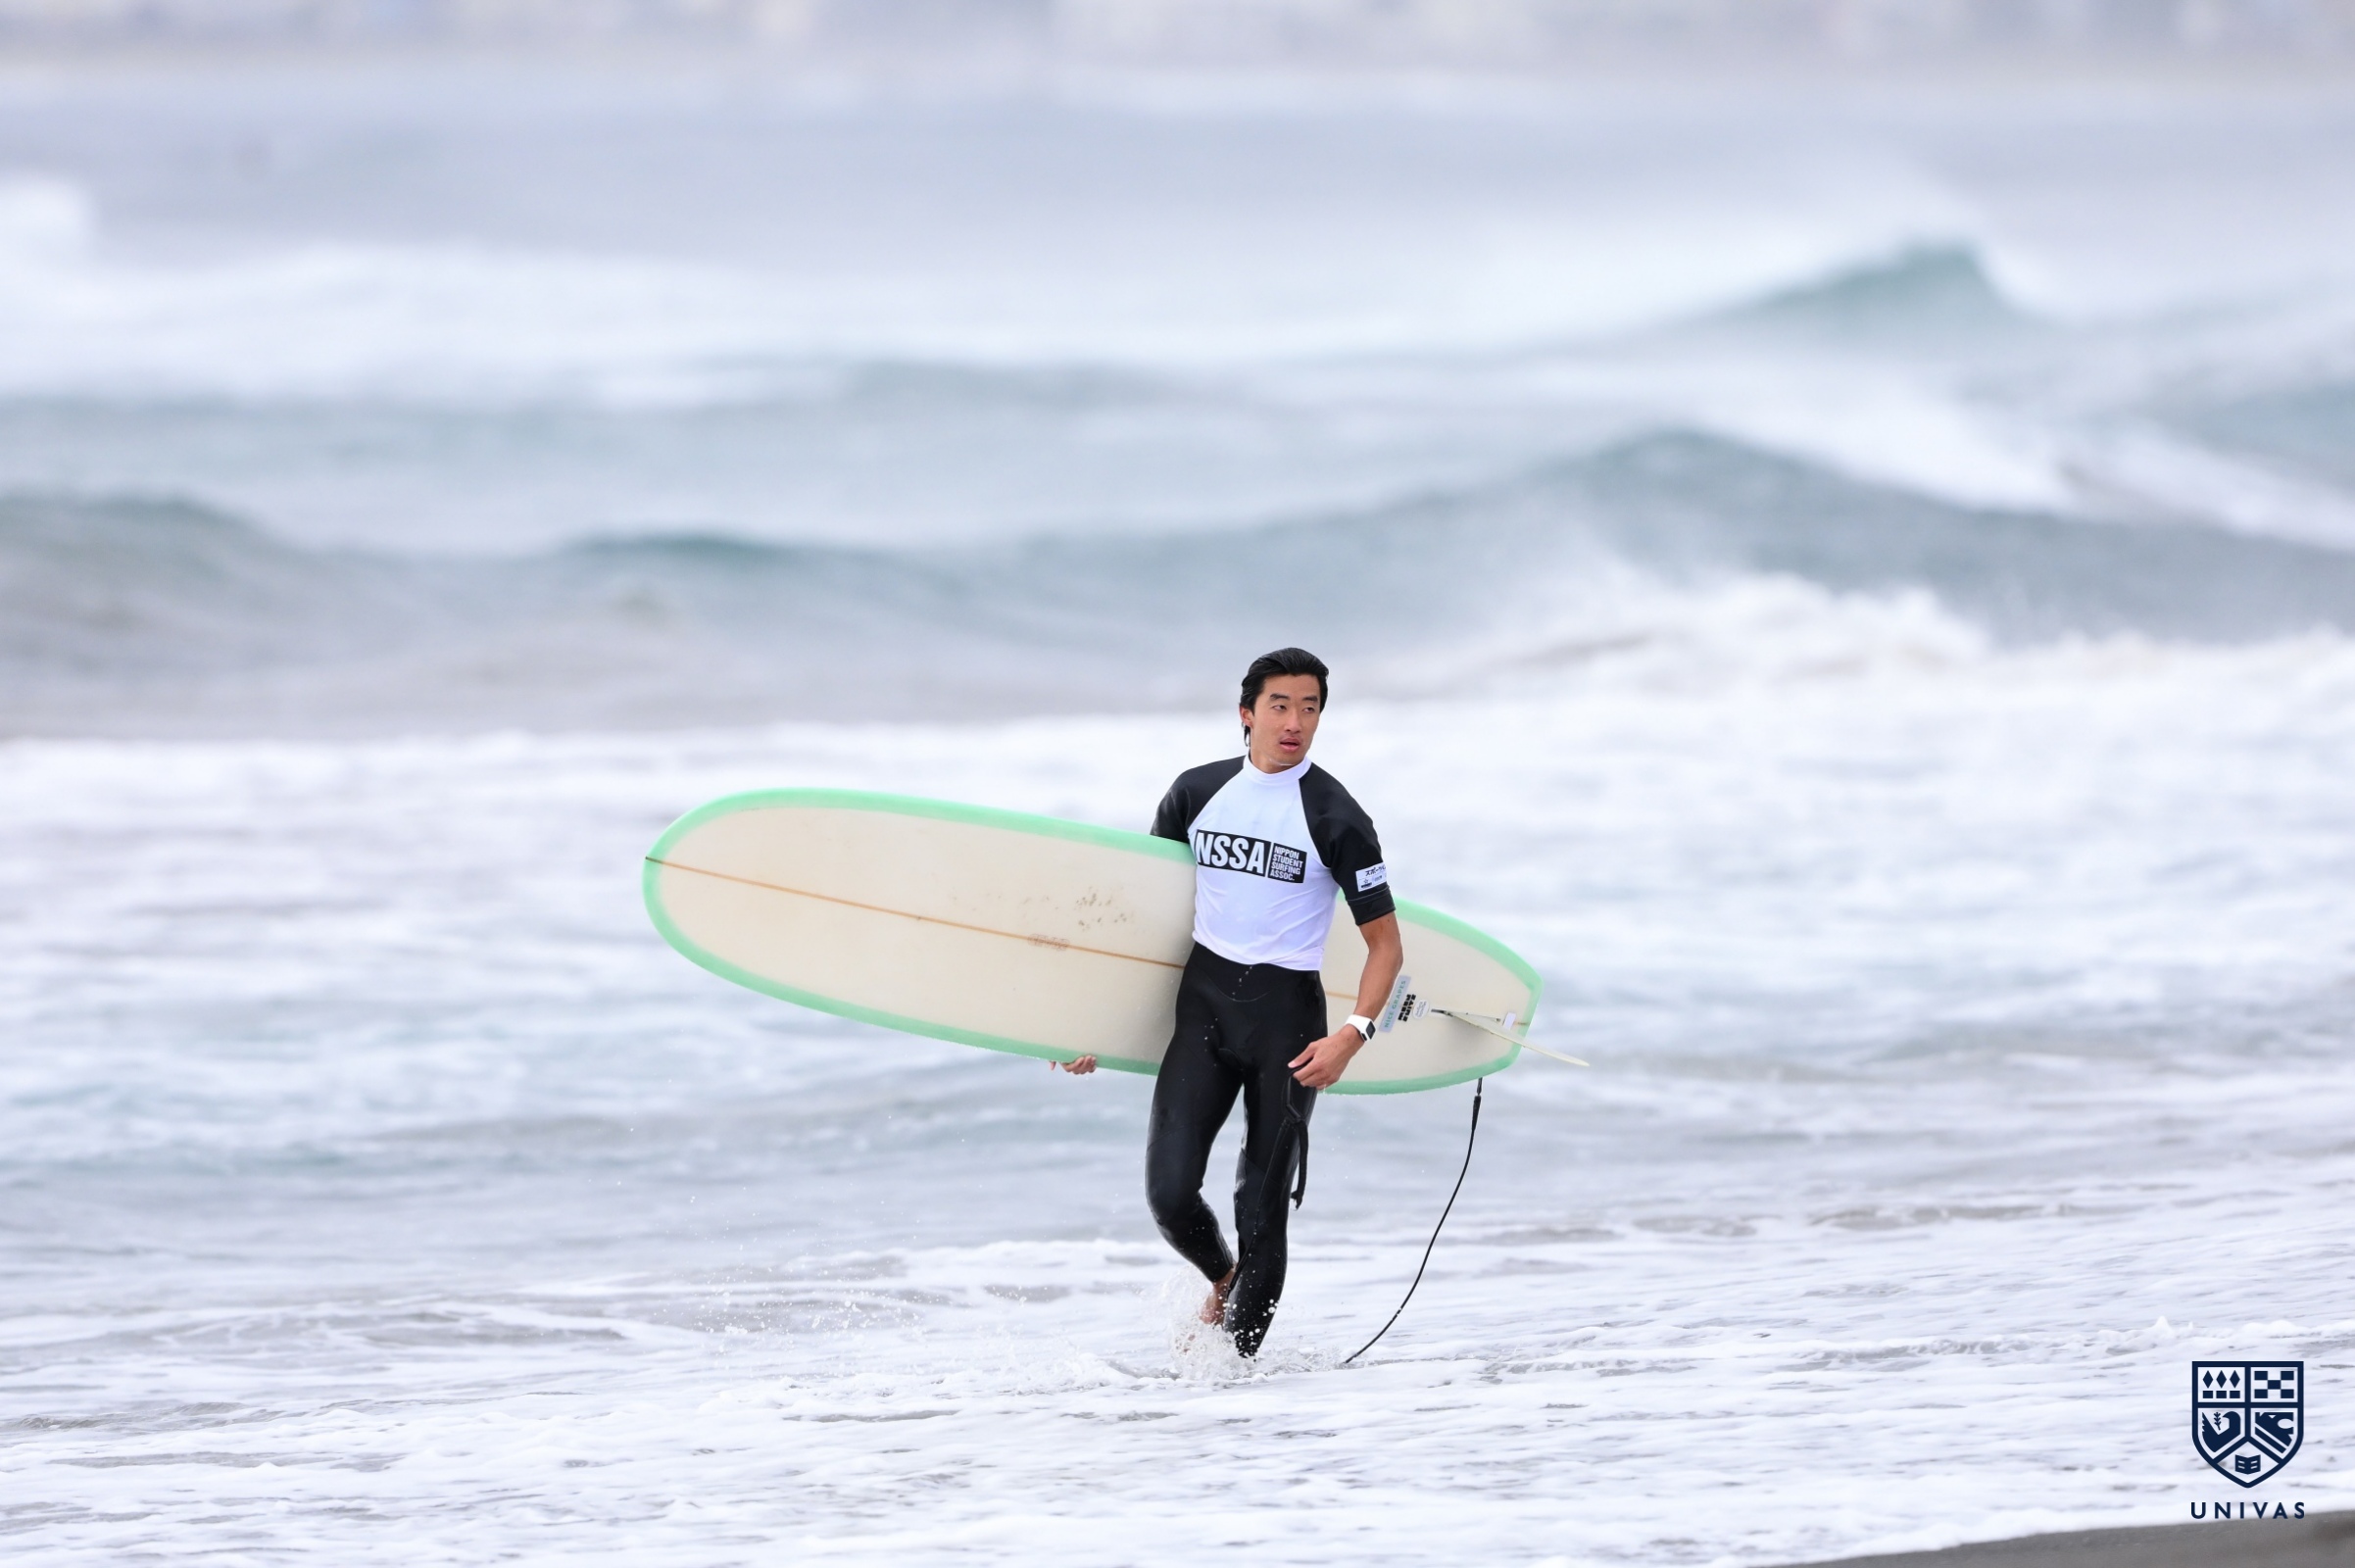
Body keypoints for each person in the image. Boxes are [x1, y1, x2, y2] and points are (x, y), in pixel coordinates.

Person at [1055, 647, 1402, 1356]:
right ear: (1246, 713)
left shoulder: (1338, 817)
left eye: (1310, 708)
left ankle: (1234, 1385)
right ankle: (1223, 1277)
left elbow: (1387, 948)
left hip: (1289, 1028)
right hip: (1203, 1011)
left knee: (1260, 1210)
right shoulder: (1196, 792)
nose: (1294, 722)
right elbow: (1142, 924)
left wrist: (1352, 1036)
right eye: (1280, 705)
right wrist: (1091, 1026)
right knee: (1169, 1195)